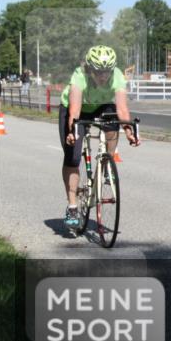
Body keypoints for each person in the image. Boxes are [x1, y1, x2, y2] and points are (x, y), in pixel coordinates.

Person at [59, 46, 140, 228]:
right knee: (72, 156)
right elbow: (75, 109)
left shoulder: (117, 76)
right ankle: (72, 206)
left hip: (100, 106)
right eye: (99, 72)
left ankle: (107, 163)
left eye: (107, 71)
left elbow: (121, 108)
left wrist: (128, 130)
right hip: (74, 109)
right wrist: (72, 131)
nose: (103, 76)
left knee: (114, 119)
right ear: (89, 68)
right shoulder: (80, 75)